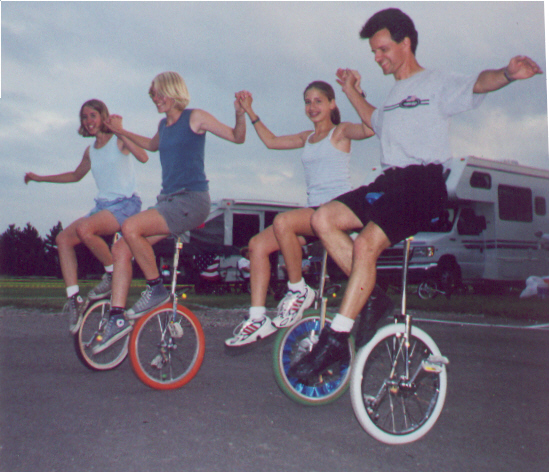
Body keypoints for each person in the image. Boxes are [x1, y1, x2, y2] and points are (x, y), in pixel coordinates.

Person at [289, 8, 543, 381]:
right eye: (374, 52)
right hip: (389, 182)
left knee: (365, 246)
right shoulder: (394, 96)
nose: (378, 57)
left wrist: (507, 74)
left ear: (405, 44)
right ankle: (371, 297)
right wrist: (349, 91)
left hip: (423, 186)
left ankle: (337, 336)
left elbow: (479, 83)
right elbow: (375, 120)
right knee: (322, 218)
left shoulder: (436, 82)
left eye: (383, 49)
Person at [91, 71, 246, 354]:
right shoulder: (164, 125)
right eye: (152, 95)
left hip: (192, 201)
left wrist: (240, 114)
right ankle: (116, 317)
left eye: (159, 94)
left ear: (174, 92)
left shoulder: (195, 117)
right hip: (169, 202)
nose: (156, 100)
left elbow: (238, 138)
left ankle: (156, 288)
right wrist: (120, 131)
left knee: (130, 227)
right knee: (122, 250)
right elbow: (151, 146)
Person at [225, 81, 374, 348]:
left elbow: (370, 128)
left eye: (319, 101)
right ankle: (257, 317)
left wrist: (358, 93)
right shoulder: (307, 138)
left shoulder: (340, 132)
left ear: (332, 104)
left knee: (283, 221)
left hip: (335, 212)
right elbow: (271, 142)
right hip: (312, 214)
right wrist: (250, 111)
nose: (312, 106)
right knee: (257, 246)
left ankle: (299, 290)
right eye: (308, 101)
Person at [24, 99, 148, 334]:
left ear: (103, 116)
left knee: (85, 229)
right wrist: (40, 178)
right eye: (84, 117)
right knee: (62, 239)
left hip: (126, 204)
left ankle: (112, 274)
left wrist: (120, 130)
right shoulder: (90, 151)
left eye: (93, 115)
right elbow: (74, 175)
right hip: (102, 208)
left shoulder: (118, 140)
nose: (88, 121)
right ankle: (74, 300)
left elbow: (143, 157)